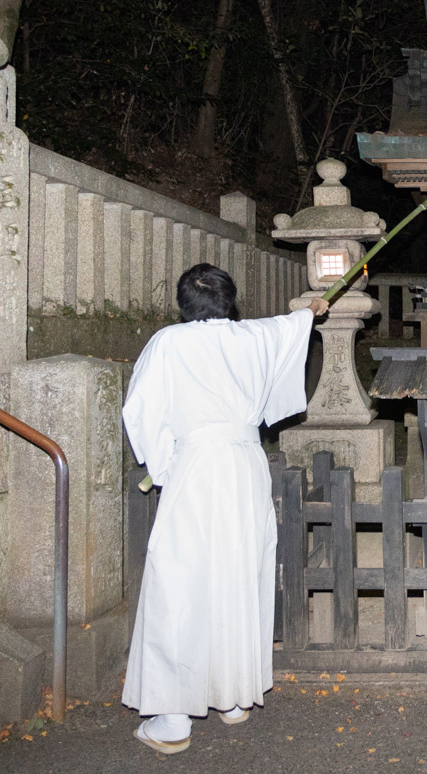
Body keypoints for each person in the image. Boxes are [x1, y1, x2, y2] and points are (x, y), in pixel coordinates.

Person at [121, 263, 329, 755]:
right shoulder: (254, 337)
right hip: (244, 466)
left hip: (196, 467)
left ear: (183, 305)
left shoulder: (169, 343)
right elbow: (294, 323)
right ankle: (234, 695)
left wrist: (163, 465)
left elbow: (142, 411)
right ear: (229, 301)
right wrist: (312, 308)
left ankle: (173, 717)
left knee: (181, 579)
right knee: (238, 571)